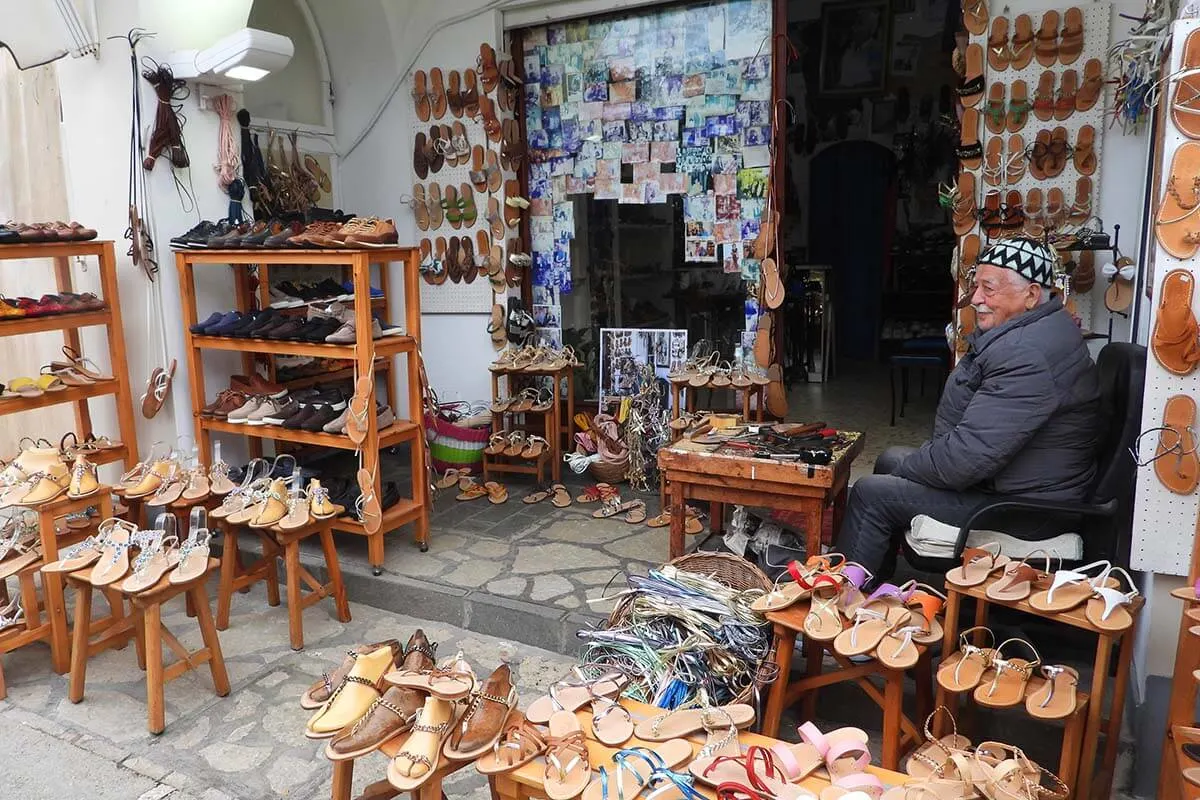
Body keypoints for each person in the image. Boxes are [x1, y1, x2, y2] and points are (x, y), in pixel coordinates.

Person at [836, 237, 1102, 578]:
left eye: (988, 289)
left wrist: (913, 468)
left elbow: (965, 460)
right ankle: (876, 585)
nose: (976, 299)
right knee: (890, 459)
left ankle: (842, 602)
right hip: (1020, 486)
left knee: (872, 494)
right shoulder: (1040, 330)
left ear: (1031, 295)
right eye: (976, 287)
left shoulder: (1027, 354)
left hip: (1028, 511)